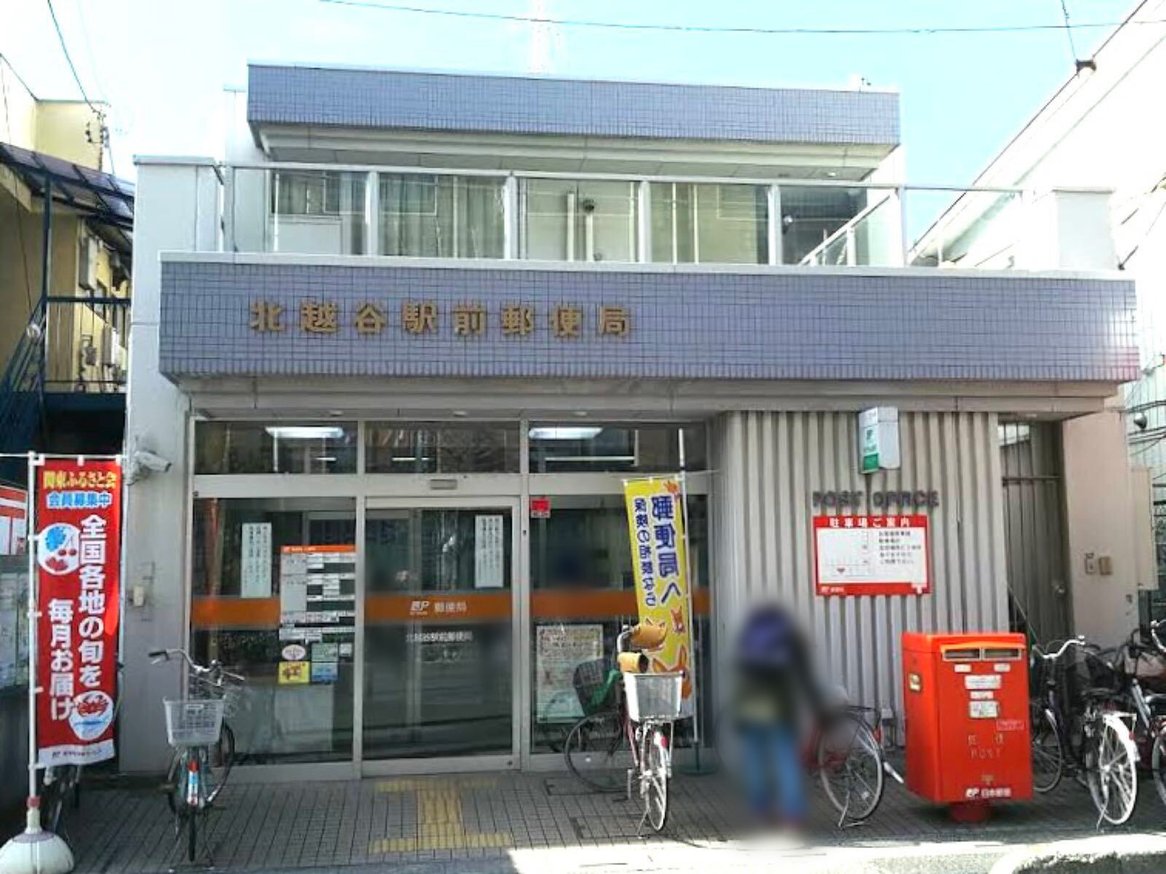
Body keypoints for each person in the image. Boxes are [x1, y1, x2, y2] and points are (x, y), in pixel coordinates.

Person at [730, 600, 820, 825]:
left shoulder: (749, 636)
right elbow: (804, 676)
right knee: (785, 759)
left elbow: (741, 675)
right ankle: (793, 812)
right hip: (779, 706)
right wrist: (816, 703)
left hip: (751, 704)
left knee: (755, 759)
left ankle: (760, 808)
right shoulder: (790, 638)